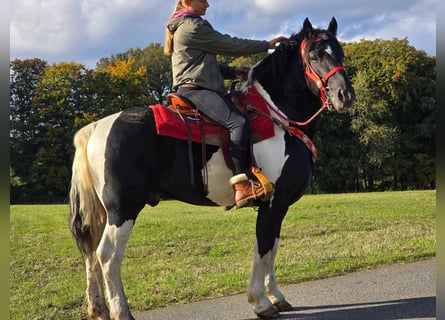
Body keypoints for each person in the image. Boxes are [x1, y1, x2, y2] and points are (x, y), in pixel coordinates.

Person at [164, 0, 287, 208]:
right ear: (187, 2)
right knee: (238, 123)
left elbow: (202, 65)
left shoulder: (182, 25)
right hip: (197, 91)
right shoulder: (192, 26)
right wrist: (267, 45)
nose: (208, 5)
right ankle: (242, 186)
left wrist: (233, 71)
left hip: (194, 86)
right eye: (202, 0)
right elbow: (230, 44)